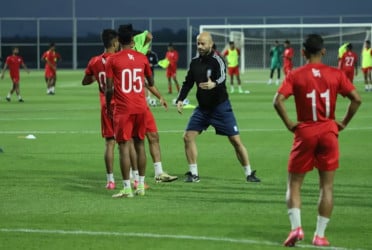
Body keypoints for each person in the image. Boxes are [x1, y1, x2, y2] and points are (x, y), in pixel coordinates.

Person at [273, 34, 361, 247]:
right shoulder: (335, 74)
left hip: (305, 131)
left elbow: (278, 101)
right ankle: (319, 235)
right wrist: (343, 122)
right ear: (323, 52)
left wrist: (290, 124)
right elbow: (357, 99)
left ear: (302, 53)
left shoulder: (295, 74)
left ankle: (296, 228)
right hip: (329, 131)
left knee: (294, 183)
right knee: (326, 187)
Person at [175, 31, 260, 183]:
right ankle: (193, 174)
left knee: (235, 141)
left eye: (203, 43)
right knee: (188, 137)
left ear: (211, 44)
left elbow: (222, 76)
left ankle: (249, 173)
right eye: (198, 43)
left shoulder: (218, 59)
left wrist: (214, 83)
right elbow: (188, 82)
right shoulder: (195, 62)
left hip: (220, 108)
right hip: (203, 109)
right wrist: (181, 99)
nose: (200, 46)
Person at [120, 24, 178, 183]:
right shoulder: (120, 58)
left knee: (153, 135)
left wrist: (160, 96)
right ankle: (133, 176)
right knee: (132, 141)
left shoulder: (139, 57)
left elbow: (146, 82)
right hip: (127, 105)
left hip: (141, 104)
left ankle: (159, 172)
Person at [105, 28, 154, 198]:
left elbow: (109, 87)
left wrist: (109, 105)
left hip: (123, 109)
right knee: (140, 145)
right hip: (140, 107)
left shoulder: (113, 60)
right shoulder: (142, 58)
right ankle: (140, 185)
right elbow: (151, 80)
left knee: (124, 147)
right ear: (133, 42)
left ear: (118, 41)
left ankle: (127, 188)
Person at [82, 29, 120, 190]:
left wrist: (98, 76)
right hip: (121, 105)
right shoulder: (119, 59)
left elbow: (85, 81)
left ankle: (110, 181)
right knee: (128, 143)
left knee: (109, 143)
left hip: (105, 106)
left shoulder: (94, 61)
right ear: (114, 42)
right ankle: (133, 179)